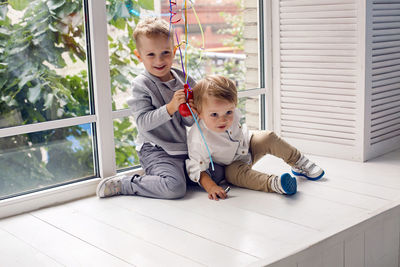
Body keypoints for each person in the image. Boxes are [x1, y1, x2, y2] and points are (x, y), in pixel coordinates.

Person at [96, 17, 224, 199]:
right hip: (156, 150)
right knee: (174, 188)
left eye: (165, 52)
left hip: (183, 148)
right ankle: (127, 184)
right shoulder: (142, 85)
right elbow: (142, 123)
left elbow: (189, 121)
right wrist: (171, 107)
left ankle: (185, 176)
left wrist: (193, 110)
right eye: (151, 55)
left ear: (173, 51)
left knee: (219, 173)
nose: (159, 60)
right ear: (139, 56)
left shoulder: (183, 78)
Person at [186, 75, 325, 200]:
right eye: (214, 115)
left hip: (247, 145)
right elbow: (198, 168)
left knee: (267, 137)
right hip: (233, 164)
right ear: (199, 112)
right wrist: (211, 187)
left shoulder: (228, 112)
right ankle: (274, 183)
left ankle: (298, 161)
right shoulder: (199, 137)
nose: (223, 119)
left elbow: (239, 126)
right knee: (235, 174)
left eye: (229, 112)